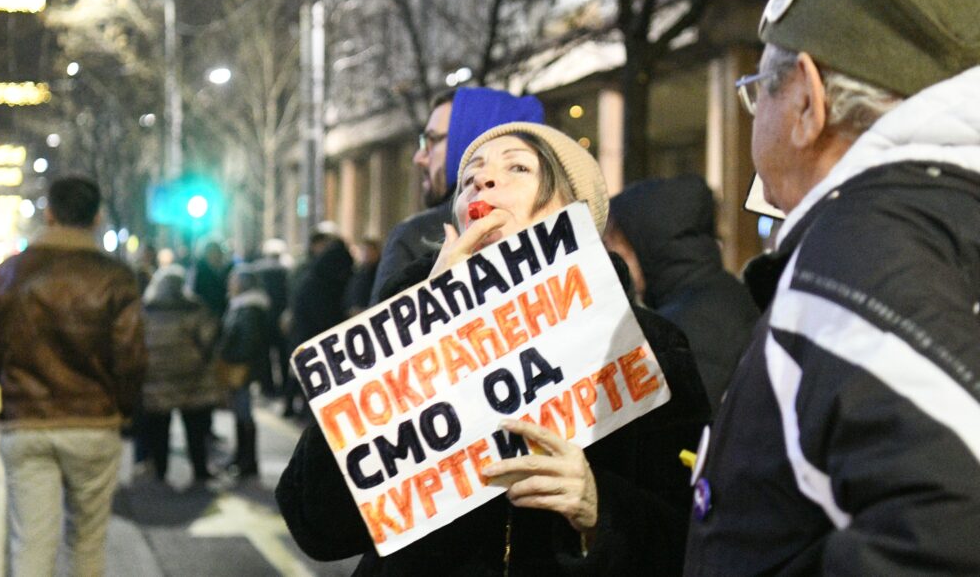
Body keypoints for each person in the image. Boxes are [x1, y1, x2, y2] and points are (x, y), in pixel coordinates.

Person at [276, 123, 710, 575]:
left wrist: (600, 507)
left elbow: (691, 535)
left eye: (518, 167)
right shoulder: (401, 331)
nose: (482, 182)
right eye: (469, 180)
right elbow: (316, 524)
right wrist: (415, 330)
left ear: (575, 211)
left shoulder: (645, 345)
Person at [683, 0, 980, 573]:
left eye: (760, 88)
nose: (754, 108)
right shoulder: (939, 224)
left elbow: (950, 532)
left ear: (807, 105)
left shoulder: (862, 253)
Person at [0, 175, 147, 576]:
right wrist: (122, 410)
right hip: (93, 422)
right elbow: (131, 358)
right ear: (98, 217)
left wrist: (15, 384)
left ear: (49, 214)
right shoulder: (114, 277)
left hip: (27, 423)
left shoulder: (8, 275)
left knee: (31, 548)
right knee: (87, 546)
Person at [368, 87, 545, 305]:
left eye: (433, 141)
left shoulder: (414, 235)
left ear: (472, 135)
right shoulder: (416, 240)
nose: (419, 157)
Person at [605, 176, 760, 415]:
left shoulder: (683, 328)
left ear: (645, 244)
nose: (612, 257)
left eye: (615, 244)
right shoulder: (724, 294)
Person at [136, 264, 221, 484]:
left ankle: (160, 469)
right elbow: (209, 338)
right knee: (195, 428)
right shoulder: (193, 308)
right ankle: (200, 469)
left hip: (156, 378)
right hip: (191, 377)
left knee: (159, 429)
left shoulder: (146, 310)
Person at [283, 232, 353, 419]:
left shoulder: (314, 275)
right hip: (313, 340)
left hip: (305, 337)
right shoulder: (321, 283)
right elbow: (324, 317)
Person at [217, 266, 271, 478]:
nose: (230, 284)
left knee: (244, 412)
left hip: (244, 368)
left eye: (234, 280)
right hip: (241, 367)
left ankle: (247, 461)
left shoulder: (249, 308)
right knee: (239, 413)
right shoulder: (240, 305)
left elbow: (248, 342)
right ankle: (240, 457)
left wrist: (229, 356)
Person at [253, 238, 291, 396]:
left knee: (265, 355)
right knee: (283, 355)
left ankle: (267, 387)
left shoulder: (258, 270)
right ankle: (284, 386)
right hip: (281, 317)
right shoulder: (286, 271)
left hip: (264, 317)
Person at [343, 238, 381, 317]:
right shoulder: (357, 274)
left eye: (369, 250)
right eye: (363, 251)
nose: (366, 254)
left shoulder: (380, 273)